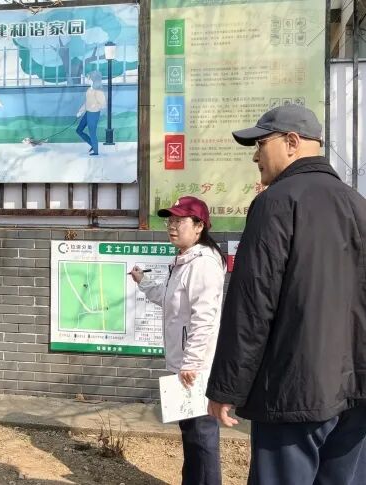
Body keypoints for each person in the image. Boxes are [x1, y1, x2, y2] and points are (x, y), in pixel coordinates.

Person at [206, 104, 366, 484]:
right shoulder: (358, 205)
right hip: (357, 391)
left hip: (294, 391)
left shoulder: (276, 202)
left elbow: (252, 304)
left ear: (292, 142)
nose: (256, 157)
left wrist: (227, 387)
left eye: (261, 144)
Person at [131, 195, 226, 485]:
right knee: (192, 433)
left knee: (202, 434)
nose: (172, 226)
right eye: (169, 221)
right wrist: (144, 281)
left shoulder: (203, 264)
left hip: (196, 367)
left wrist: (192, 362)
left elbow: (204, 317)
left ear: (199, 226)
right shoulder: (185, 260)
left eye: (179, 221)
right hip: (185, 362)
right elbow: (169, 298)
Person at [76, 70, 106, 156]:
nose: (87, 79)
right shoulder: (89, 90)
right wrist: (80, 111)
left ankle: (96, 151)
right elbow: (87, 102)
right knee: (79, 130)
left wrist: (94, 106)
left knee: (92, 133)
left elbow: (103, 104)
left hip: (94, 114)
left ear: (93, 79)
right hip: (88, 113)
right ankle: (92, 144)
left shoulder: (99, 91)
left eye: (88, 78)